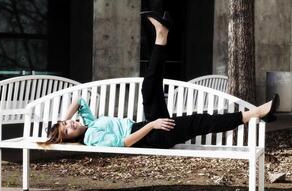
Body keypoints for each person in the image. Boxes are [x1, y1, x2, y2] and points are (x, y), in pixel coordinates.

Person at [41, 11, 280, 148]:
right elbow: (124, 143)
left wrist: (63, 121)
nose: (70, 125)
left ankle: (162, 34)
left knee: (149, 87)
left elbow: (79, 99)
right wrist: (152, 125)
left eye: (67, 124)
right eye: (68, 131)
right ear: (72, 139)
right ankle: (255, 113)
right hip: (152, 136)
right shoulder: (92, 138)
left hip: (149, 126)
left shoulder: (88, 123)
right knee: (199, 122)